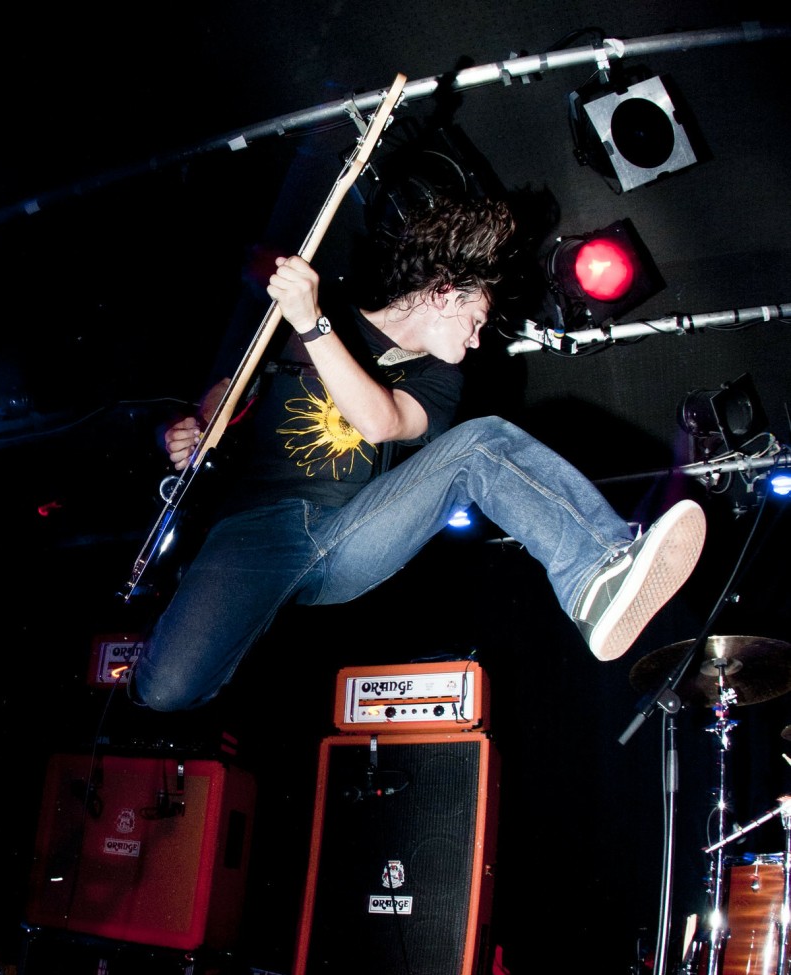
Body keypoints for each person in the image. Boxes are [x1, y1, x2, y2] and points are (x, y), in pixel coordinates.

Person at [129, 194, 705, 713]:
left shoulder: (437, 379)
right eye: (477, 321)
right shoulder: (324, 319)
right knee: (164, 690)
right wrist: (201, 425)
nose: (478, 341)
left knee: (481, 445)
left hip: (351, 532)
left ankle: (597, 575)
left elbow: (380, 422)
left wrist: (312, 322)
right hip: (255, 529)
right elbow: (234, 385)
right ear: (442, 292)